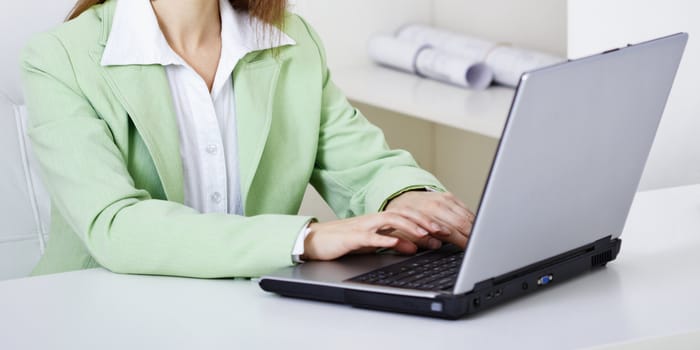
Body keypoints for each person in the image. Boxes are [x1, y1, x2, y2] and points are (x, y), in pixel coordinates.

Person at [21, 0, 474, 278]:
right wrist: (305, 240)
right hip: (105, 312)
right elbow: (115, 227)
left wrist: (406, 197)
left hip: (252, 309)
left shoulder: (291, 41)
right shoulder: (57, 58)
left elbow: (363, 164)